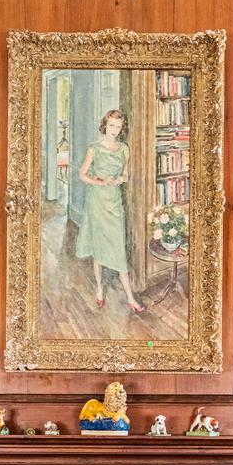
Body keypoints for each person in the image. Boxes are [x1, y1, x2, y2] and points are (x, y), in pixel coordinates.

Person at [75, 108, 145, 312]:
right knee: (99, 247)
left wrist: (120, 179)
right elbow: (82, 175)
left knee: (118, 250)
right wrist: (101, 182)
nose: (115, 130)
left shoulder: (124, 149)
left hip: (114, 202)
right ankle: (99, 288)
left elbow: (126, 175)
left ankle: (130, 298)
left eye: (119, 126)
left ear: (122, 128)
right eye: (112, 125)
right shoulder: (94, 148)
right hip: (97, 202)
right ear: (105, 125)